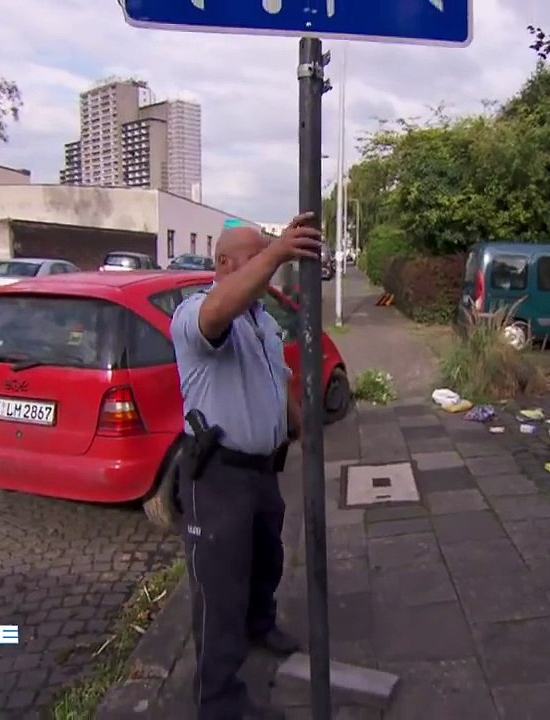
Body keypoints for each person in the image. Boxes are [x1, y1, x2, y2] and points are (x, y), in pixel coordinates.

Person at [169, 213, 322, 719]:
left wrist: (298, 423)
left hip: (261, 472)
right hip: (218, 476)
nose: (268, 270)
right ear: (225, 264)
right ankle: (218, 701)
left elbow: (275, 379)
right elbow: (216, 313)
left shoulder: (259, 319)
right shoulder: (198, 312)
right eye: (256, 258)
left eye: (267, 258)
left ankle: (261, 626)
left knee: (266, 561)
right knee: (219, 591)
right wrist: (276, 252)